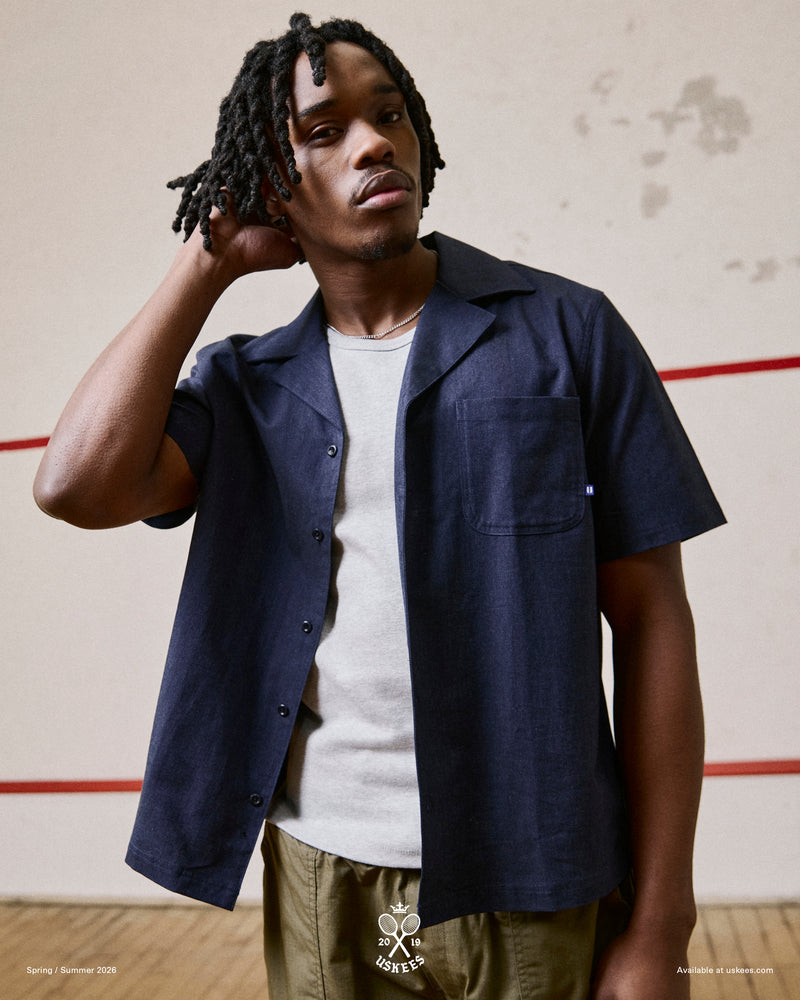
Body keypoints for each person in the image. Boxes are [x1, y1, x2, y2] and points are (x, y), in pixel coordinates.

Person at [33, 13, 725, 1000]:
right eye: (322, 132)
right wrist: (208, 261)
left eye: (389, 114)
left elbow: (654, 623)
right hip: (320, 869)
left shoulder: (569, 334)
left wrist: (661, 925)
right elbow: (74, 485)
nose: (371, 144)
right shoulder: (243, 385)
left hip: (535, 872)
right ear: (273, 183)